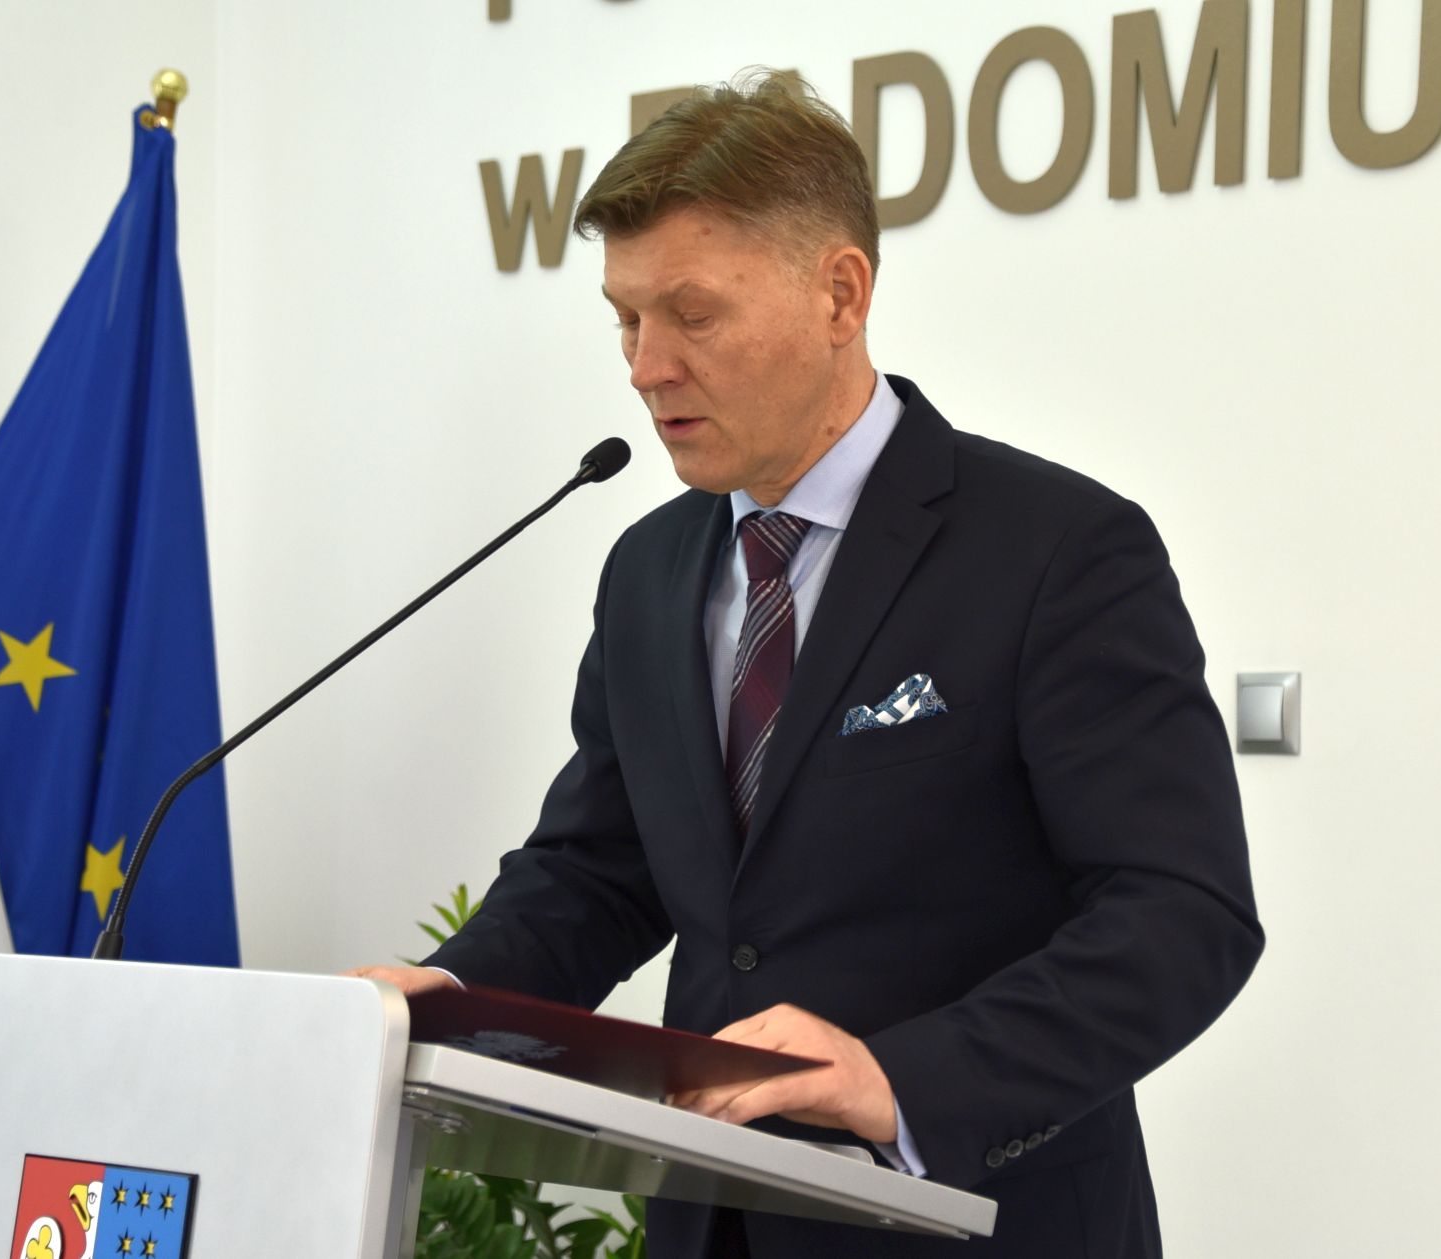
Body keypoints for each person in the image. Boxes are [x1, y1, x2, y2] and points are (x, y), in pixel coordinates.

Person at [353, 73, 1263, 1258]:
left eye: (691, 313)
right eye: (625, 318)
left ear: (840, 293)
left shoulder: (1057, 549)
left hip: (980, 1224)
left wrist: (903, 1077)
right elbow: (600, 871)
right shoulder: (648, 568)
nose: (645, 365)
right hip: (710, 1220)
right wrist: (445, 998)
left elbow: (1181, 911)